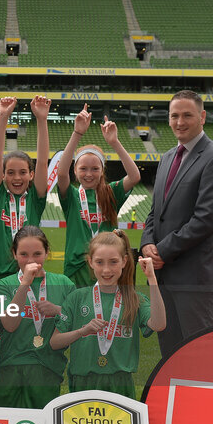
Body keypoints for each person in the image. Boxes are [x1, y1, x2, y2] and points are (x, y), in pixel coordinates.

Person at [141, 90, 213, 361]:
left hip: (194, 278)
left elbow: (206, 219)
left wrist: (162, 251)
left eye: (187, 115)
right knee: (168, 358)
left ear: (202, 117)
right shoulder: (167, 157)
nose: (179, 122)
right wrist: (148, 243)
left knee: (199, 357)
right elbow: (155, 211)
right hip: (163, 277)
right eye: (174, 116)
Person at [51, 230, 165, 399]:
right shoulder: (77, 297)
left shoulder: (135, 299)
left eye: (113, 262)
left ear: (124, 261)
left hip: (120, 383)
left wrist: (152, 279)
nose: (106, 270)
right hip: (83, 382)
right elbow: (54, 342)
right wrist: (81, 332)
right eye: (99, 262)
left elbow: (159, 324)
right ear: (90, 262)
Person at [56, 103, 141, 287]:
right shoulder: (71, 196)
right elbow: (61, 174)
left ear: (102, 171)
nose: (88, 174)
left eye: (95, 169)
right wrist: (77, 134)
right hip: (77, 268)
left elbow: (134, 176)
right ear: (75, 171)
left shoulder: (111, 192)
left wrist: (114, 143)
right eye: (83, 168)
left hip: (107, 266)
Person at [0, 226, 76, 409]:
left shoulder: (65, 284)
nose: (31, 261)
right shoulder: (3, 285)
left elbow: (79, 323)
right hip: (10, 369)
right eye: (23, 254)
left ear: (47, 253)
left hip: (47, 369)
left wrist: (58, 310)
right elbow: (10, 324)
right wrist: (24, 284)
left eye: (37, 254)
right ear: (14, 254)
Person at [0, 96, 51, 297]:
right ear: (3, 175)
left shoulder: (36, 199)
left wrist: (41, 120)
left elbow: (42, 162)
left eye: (23, 172)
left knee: (26, 326)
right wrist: (3, 116)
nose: (16, 177)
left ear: (31, 175)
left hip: (30, 275)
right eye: (10, 172)